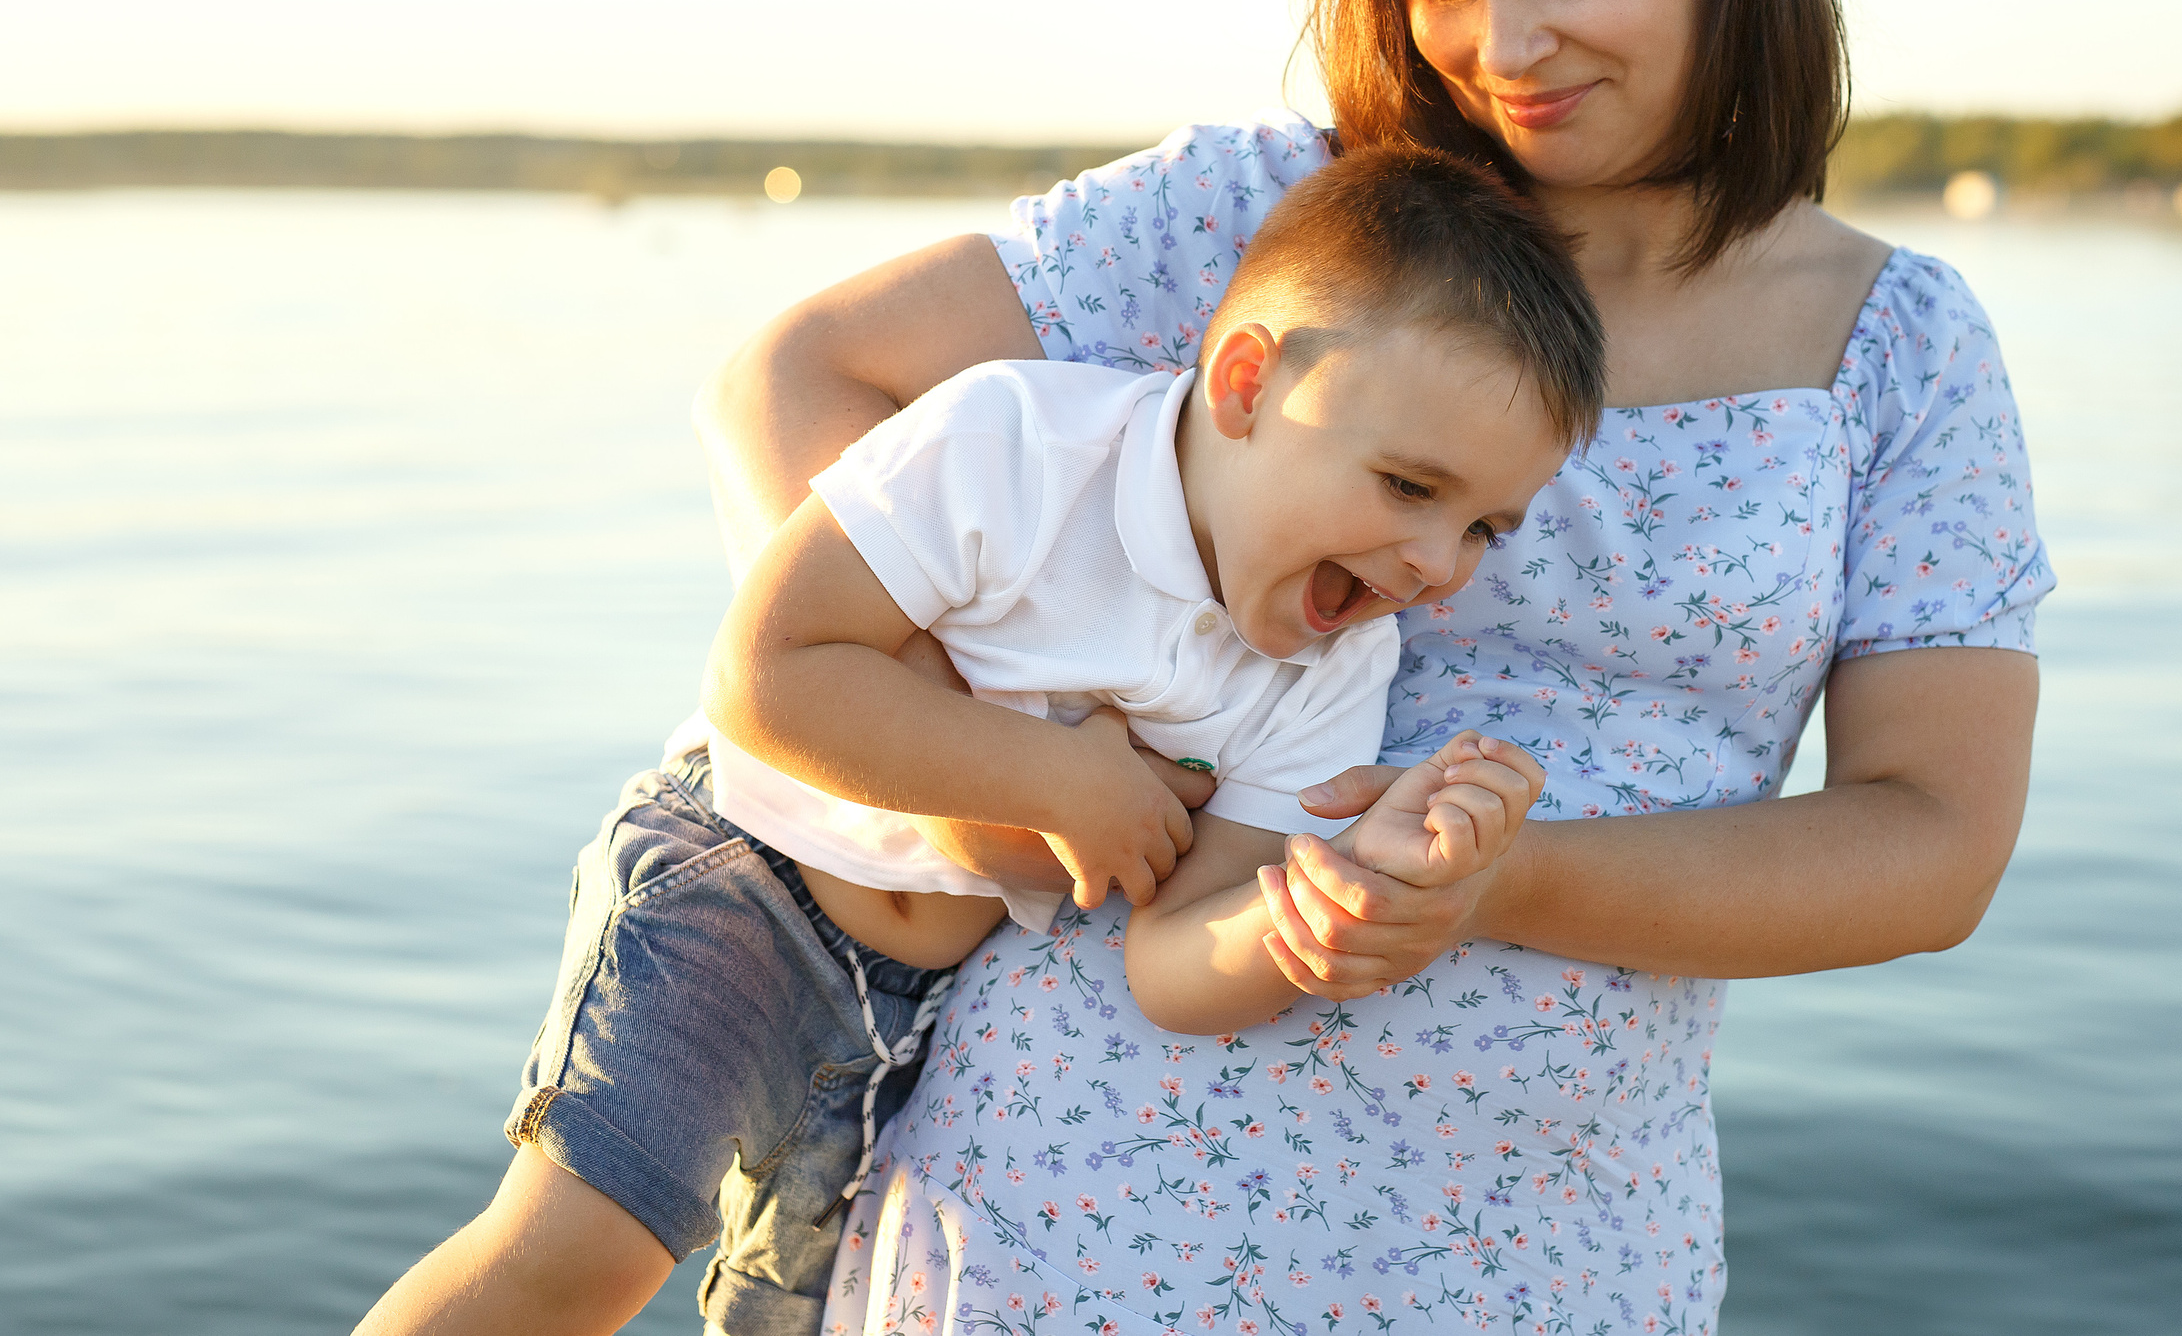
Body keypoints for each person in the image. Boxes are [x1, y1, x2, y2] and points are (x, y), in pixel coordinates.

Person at [697, 0, 2055, 1335]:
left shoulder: (1897, 348)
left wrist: (1500, 878)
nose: (1508, 43)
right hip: (1072, 1190)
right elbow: (800, 376)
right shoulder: (1281, 222)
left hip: (1555, 1241)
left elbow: (1932, 846)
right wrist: (979, 767)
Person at [352, 150, 1604, 1336]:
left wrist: (1326, 902)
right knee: (573, 1259)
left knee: (782, 1317)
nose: (1438, 567)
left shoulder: (1336, 662)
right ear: (1244, 385)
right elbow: (768, 671)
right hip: (749, 884)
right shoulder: (1019, 448)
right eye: (1407, 489)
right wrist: (1056, 779)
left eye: (1487, 527)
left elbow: (1173, 963)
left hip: (910, 1016)